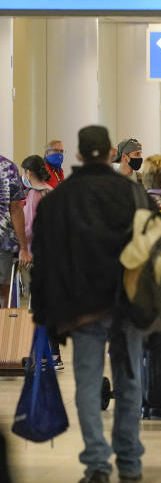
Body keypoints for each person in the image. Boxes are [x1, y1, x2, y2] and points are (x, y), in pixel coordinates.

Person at [30, 125, 150, 483]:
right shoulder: (132, 194)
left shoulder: (59, 198)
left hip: (82, 307)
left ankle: (97, 466)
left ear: (80, 155)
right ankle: (129, 464)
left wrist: (47, 314)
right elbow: (148, 247)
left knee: (86, 382)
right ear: (111, 152)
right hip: (126, 303)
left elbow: (44, 258)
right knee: (129, 379)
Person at [20, 155, 60, 368]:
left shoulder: (35, 195)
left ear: (29, 172)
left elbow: (28, 228)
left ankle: (45, 356)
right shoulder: (51, 191)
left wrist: (21, 247)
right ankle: (54, 355)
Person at [0, 152, 29, 308]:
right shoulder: (8, 167)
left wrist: (24, 248)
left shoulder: (8, 168)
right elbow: (16, 209)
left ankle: (4, 330)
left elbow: (16, 209)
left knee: (4, 295)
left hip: (2, 243)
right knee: (3, 294)